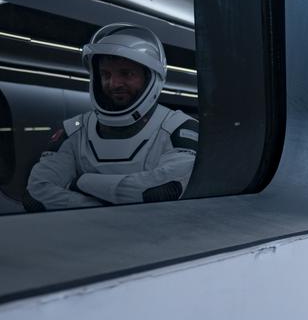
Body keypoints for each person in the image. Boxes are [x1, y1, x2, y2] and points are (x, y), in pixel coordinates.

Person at [24, 23, 198, 212]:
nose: (114, 83)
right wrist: (107, 209)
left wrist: (80, 183)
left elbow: (162, 190)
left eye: (126, 73)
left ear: (151, 78)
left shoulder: (178, 128)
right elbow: (36, 193)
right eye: (105, 74)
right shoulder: (75, 129)